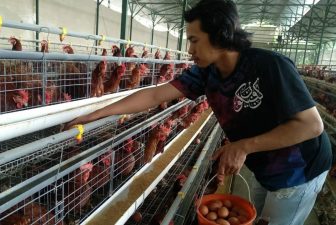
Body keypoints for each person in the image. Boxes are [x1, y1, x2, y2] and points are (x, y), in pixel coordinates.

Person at [64, 0, 332, 224]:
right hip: (265, 166)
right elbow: (156, 94)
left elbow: (311, 126)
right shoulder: (207, 74)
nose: (189, 49)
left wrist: (244, 146)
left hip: (301, 168)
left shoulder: (270, 66)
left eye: (194, 40)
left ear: (219, 35)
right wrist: (96, 114)